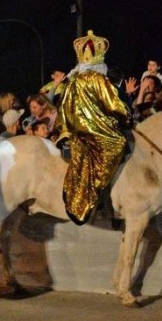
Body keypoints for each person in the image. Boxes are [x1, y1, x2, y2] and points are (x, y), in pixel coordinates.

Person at [56, 30, 130, 225]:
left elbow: (63, 105)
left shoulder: (73, 80)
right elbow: (114, 105)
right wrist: (127, 117)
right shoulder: (99, 80)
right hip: (96, 131)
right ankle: (99, 191)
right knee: (119, 143)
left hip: (76, 131)